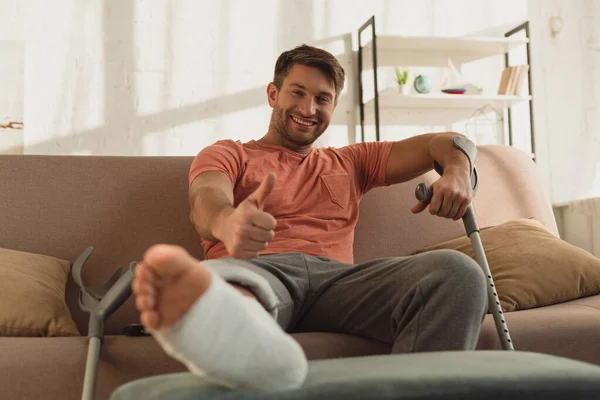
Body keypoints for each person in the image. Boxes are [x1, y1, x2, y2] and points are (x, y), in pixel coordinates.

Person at [132, 44, 488, 392]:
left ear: (333, 105)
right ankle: (236, 336)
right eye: (297, 92)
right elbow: (205, 199)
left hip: (339, 283)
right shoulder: (230, 153)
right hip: (259, 272)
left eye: (323, 98)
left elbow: (447, 141)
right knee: (227, 293)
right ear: (273, 94)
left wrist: (458, 171)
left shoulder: (352, 161)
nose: (309, 108)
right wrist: (228, 222)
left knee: (457, 273)